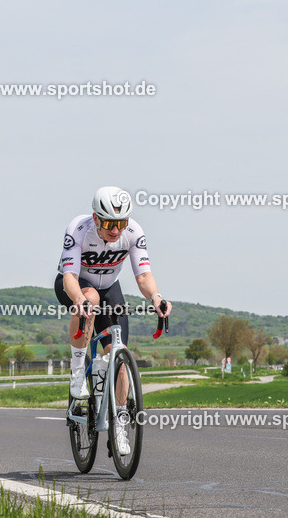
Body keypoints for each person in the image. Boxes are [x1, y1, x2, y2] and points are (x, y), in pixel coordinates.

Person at [54, 186, 170, 454]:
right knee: (91, 298)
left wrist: (156, 298)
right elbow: (70, 275)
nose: (116, 230)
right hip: (75, 286)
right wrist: (79, 299)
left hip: (110, 289)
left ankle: (119, 425)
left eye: (121, 223)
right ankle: (77, 371)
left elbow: (143, 275)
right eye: (109, 224)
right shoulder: (79, 229)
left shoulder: (134, 232)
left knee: (119, 355)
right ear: (96, 218)